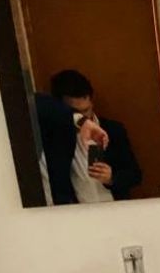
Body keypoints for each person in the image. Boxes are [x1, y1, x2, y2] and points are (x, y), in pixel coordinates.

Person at [49, 69, 142, 203]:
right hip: (77, 211)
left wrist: (112, 178)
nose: (84, 117)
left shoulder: (113, 130)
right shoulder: (55, 138)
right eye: (76, 113)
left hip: (116, 207)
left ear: (92, 102)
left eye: (86, 110)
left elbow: (135, 175)